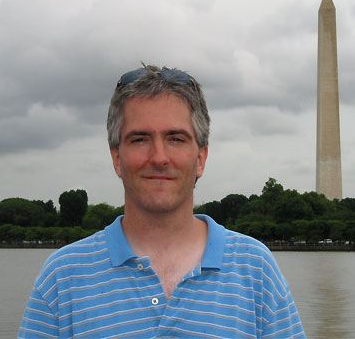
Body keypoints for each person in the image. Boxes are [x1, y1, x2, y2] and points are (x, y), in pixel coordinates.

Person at [19, 65, 306, 338]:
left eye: (176, 139)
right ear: (117, 159)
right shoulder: (62, 278)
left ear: (201, 159)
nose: (158, 157)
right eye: (140, 139)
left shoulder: (256, 270)